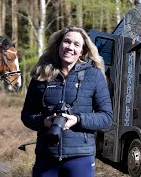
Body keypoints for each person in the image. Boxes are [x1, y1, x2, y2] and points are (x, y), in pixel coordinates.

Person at [21, 25, 113, 177]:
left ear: (82, 51)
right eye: (67, 42)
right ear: (58, 45)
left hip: (80, 157)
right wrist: (44, 121)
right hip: (46, 157)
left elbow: (107, 118)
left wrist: (77, 119)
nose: (70, 47)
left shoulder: (94, 76)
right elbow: (27, 115)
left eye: (76, 44)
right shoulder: (41, 75)